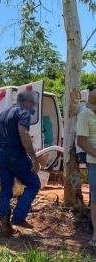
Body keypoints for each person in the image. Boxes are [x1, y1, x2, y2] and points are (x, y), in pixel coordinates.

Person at [0, 91, 41, 236]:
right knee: (33, 184)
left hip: (1, 155)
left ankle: (5, 224)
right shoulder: (23, 112)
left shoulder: (3, 114)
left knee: (5, 189)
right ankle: (18, 217)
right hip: (16, 154)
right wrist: (33, 157)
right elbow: (23, 133)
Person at [76, 89, 96, 247]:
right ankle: (94, 233)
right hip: (93, 160)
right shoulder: (85, 115)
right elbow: (81, 141)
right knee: (95, 198)